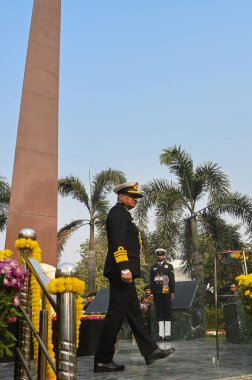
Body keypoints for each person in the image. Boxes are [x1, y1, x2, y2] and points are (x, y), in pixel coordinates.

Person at [94, 182, 175, 372]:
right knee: (115, 315)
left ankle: (150, 351)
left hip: (123, 271)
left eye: (136, 197)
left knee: (135, 314)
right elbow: (117, 241)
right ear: (120, 196)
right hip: (120, 271)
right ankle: (102, 359)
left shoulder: (123, 214)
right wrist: (124, 268)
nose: (135, 200)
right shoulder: (117, 214)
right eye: (131, 196)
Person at [150, 248, 175, 341]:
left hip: (166, 291)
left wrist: (172, 292)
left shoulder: (169, 266)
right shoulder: (153, 267)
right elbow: (151, 282)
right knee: (159, 312)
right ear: (156, 256)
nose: (159, 256)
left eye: (161, 255)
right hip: (157, 292)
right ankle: (161, 334)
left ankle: (167, 334)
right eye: (158, 255)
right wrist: (151, 293)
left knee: (167, 312)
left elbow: (172, 280)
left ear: (164, 256)